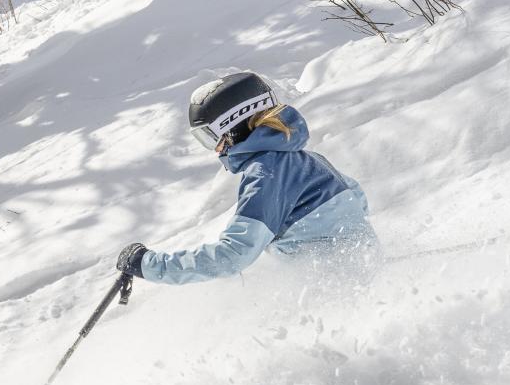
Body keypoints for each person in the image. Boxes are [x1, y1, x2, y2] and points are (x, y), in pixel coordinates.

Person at [117, 71, 377, 285]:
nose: (215, 149)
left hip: (331, 287)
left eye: (210, 137)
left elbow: (234, 255)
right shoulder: (307, 158)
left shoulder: (266, 173)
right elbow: (357, 198)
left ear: (233, 126)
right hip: (359, 275)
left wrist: (148, 265)